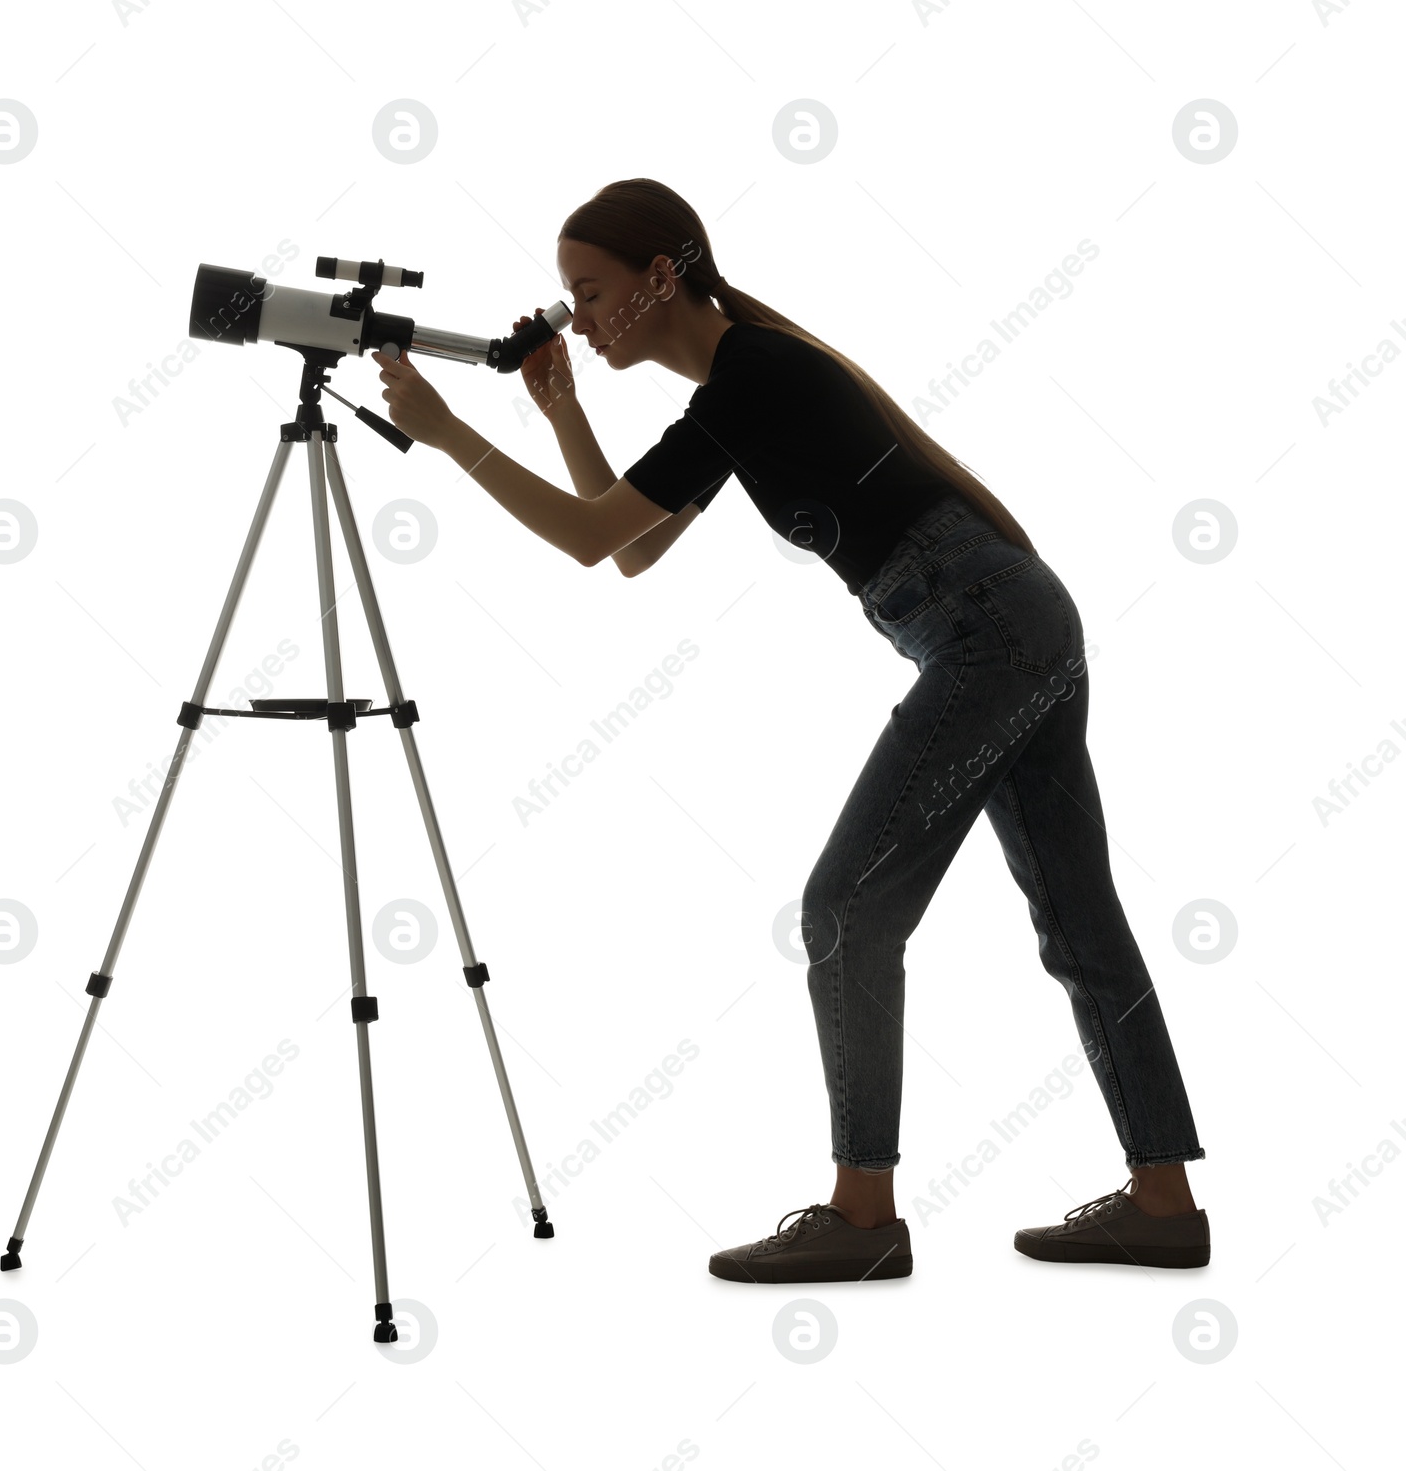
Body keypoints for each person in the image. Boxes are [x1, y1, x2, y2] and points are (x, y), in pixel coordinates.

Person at [370, 177, 1208, 1283]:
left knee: (846, 906)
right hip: (1007, 625)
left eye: (589, 289)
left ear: (659, 277)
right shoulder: (737, 387)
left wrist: (441, 435)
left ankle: (862, 1216)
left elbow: (586, 537)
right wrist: (561, 407)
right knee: (1074, 919)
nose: (573, 312)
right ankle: (1162, 1203)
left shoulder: (749, 375)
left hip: (986, 634)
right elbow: (630, 547)